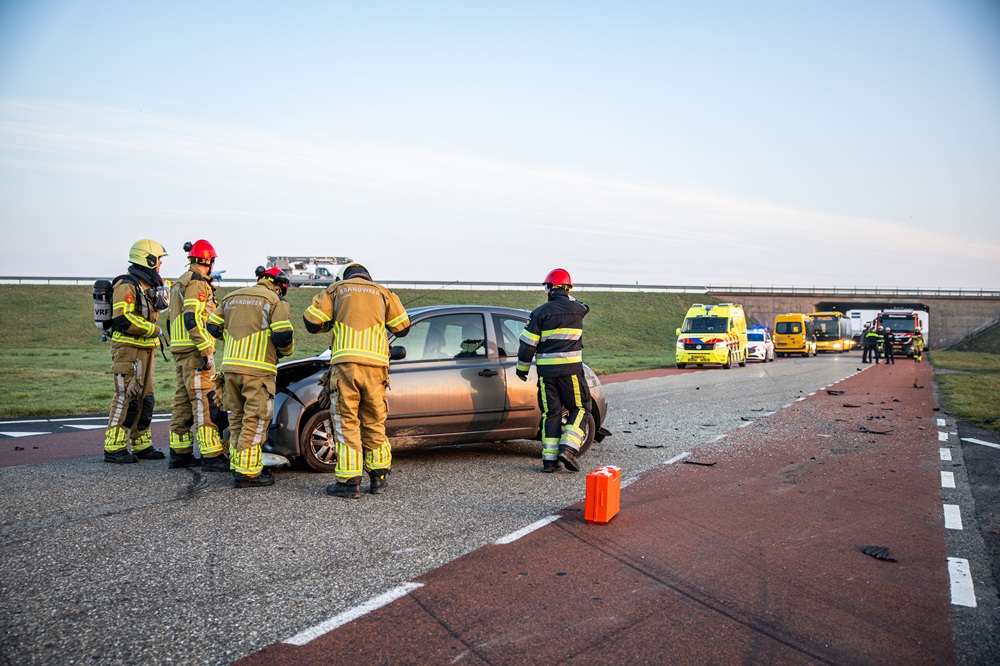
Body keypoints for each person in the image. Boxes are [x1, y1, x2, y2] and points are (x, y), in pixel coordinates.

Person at [303, 262, 410, 499]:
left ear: (344, 276)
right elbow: (402, 327)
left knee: (346, 422)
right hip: (376, 370)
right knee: (374, 422)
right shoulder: (384, 293)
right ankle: (379, 477)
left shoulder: (336, 290)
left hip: (346, 368)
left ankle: (349, 483)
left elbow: (312, 322)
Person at [206, 267, 294, 488]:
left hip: (230, 368)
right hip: (258, 370)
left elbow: (212, 326)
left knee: (236, 417)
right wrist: (284, 351)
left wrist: (234, 341)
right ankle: (248, 474)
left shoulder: (231, 297)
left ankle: (238, 464)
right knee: (255, 420)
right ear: (279, 285)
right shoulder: (275, 301)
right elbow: (283, 336)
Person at [516, 268, 592, 473]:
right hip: (571, 372)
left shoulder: (539, 313)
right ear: (567, 288)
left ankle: (549, 463)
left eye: (547, 287)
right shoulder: (578, 310)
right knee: (581, 408)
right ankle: (568, 449)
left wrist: (522, 369)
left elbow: (527, 346)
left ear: (551, 287)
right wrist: (567, 295)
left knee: (551, 413)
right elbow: (584, 306)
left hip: (547, 375)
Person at [104, 240, 171, 463]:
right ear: (147, 258)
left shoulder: (148, 284)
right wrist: (154, 329)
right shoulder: (127, 284)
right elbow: (122, 318)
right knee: (127, 396)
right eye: (158, 258)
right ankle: (114, 447)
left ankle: (142, 443)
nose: (160, 263)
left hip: (145, 348)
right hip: (128, 349)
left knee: (146, 398)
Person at [167, 240, 227, 471]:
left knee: (183, 400)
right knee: (204, 401)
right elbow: (193, 318)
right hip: (196, 352)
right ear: (209, 261)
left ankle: (179, 452)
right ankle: (211, 455)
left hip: (181, 350)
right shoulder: (198, 284)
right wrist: (207, 349)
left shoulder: (179, 282)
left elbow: (175, 319)